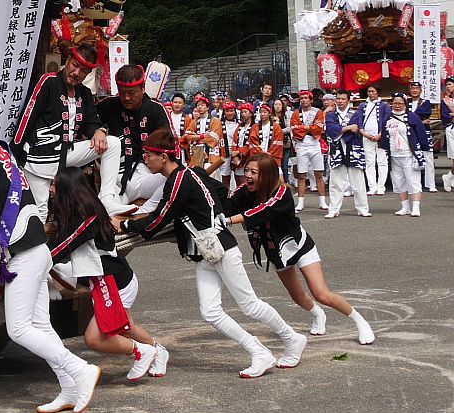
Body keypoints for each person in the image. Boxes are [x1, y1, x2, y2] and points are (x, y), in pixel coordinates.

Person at [128, 129, 307, 377]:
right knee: (211, 312)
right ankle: (259, 352)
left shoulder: (179, 180)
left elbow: (160, 218)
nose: (145, 159)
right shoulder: (185, 176)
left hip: (220, 249)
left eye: (148, 155)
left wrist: (126, 226)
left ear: (163, 157)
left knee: (250, 305)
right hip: (205, 253)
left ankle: (292, 338)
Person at [0, 148, 103, 413]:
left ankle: (80, 370)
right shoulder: (5, 159)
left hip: (24, 256)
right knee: (41, 326)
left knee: (18, 329)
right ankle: (69, 387)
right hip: (38, 251)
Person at [226, 154, 375, 344]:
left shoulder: (282, 193)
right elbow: (227, 205)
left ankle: (360, 321)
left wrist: (228, 220)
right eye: (247, 170)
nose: (247, 175)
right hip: (276, 251)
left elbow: (263, 211)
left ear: (267, 175)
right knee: (297, 296)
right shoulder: (244, 191)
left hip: (299, 245)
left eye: (254, 172)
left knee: (321, 293)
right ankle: (318, 314)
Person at [49, 166, 166, 384]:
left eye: (55, 185)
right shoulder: (75, 208)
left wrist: (39, 259)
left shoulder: (86, 214)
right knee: (127, 327)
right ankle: (159, 351)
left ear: (67, 187)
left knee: (94, 338)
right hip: (110, 279)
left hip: (114, 283)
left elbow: (64, 244)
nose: (51, 189)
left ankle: (141, 351)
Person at [12, 45, 122, 221]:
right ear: (68, 60)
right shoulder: (48, 82)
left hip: (66, 153)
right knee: (39, 213)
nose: (76, 73)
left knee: (113, 144)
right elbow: (27, 117)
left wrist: (100, 131)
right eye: (74, 65)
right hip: (40, 156)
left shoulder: (85, 93)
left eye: (83, 71)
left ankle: (107, 199)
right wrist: (14, 156)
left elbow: (91, 123)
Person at [97, 65, 171, 215]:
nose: (126, 98)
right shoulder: (108, 105)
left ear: (142, 89)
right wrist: (99, 131)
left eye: (131, 92)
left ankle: (143, 211)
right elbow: (88, 123)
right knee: (101, 207)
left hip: (147, 174)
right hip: (116, 176)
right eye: (122, 92)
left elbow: (168, 144)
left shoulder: (156, 110)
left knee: (174, 182)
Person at [323, 92, 371, 218]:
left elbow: (356, 129)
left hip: (353, 148)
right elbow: (330, 129)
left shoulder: (355, 114)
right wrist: (347, 128)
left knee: (358, 181)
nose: (340, 101)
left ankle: (362, 208)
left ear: (348, 100)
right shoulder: (331, 115)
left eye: (343, 99)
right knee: (336, 182)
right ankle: (333, 209)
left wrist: (344, 129)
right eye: (338, 99)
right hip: (337, 150)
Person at [386, 94, 430, 217]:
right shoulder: (387, 118)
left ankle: (415, 207)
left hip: (409, 154)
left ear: (405, 104)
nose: (397, 106)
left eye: (400, 103)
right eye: (395, 103)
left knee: (413, 180)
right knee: (399, 182)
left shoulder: (412, 117)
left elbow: (421, 134)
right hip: (394, 155)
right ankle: (405, 207)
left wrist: (423, 149)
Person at [290, 90, 328, 211]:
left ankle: (322, 201)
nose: (304, 100)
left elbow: (319, 128)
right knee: (302, 175)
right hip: (302, 145)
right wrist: (310, 128)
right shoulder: (296, 113)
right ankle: (300, 202)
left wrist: (304, 127)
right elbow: (294, 129)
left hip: (315, 144)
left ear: (311, 100)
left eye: (306, 98)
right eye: (302, 98)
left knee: (319, 174)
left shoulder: (318, 112)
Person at [359, 85, 390, 196]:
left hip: (380, 137)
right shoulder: (362, 105)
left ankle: (381, 186)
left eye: (373, 91)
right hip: (366, 136)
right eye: (369, 91)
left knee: (382, 162)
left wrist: (381, 134)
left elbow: (387, 120)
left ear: (378, 92)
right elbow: (359, 121)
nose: (371, 93)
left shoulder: (384, 105)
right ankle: (372, 186)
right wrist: (364, 133)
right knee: (369, 162)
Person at [407, 81, 436, 192]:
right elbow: (405, 114)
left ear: (421, 90)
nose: (414, 90)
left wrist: (412, 118)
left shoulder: (426, 102)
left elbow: (425, 112)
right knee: (410, 157)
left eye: (417, 88)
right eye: (412, 88)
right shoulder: (406, 102)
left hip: (424, 132)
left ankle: (431, 184)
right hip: (410, 132)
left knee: (428, 157)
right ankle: (414, 184)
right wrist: (419, 120)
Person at [182, 94, 222, 172]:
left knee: (211, 175)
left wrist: (195, 138)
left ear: (207, 107)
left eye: (202, 105)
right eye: (198, 105)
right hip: (196, 155)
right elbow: (188, 137)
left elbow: (214, 139)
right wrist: (202, 136)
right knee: (196, 174)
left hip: (211, 154)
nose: (200, 107)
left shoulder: (215, 121)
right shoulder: (193, 122)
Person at [248, 102, 284, 167]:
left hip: (273, 157)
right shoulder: (254, 127)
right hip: (258, 158)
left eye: (265, 112)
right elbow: (253, 143)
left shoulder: (276, 127)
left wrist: (268, 154)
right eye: (261, 112)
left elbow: (278, 143)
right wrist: (262, 154)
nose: (262, 114)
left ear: (269, 113)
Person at [229, 103, 255, 192]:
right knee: (238, 179)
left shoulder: (254, 126)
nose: (243, 114)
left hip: (247, 155)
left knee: (246, 179)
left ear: (251, 113)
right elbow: (234, 140)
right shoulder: (240, 126)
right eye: (242, 112)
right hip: (237, 155)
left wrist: (239, 152)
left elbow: (251, 141)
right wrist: (234, 153)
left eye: (245, 112)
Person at [165, 93, 189, 164]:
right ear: (172, 103)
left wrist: (179, 140)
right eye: (175, 102)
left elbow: (188, 133)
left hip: (181, 147)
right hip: (168, 145)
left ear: (183, 105)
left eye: (179, 103)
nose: (177, 104)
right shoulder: (166, 116)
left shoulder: (187, 118)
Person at [442, 77, 454, 192]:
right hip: (451, 128)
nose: (448, 86)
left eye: (450, 84)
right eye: (447, 85)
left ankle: (450, 176)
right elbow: (444, 115)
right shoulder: (445, 100)